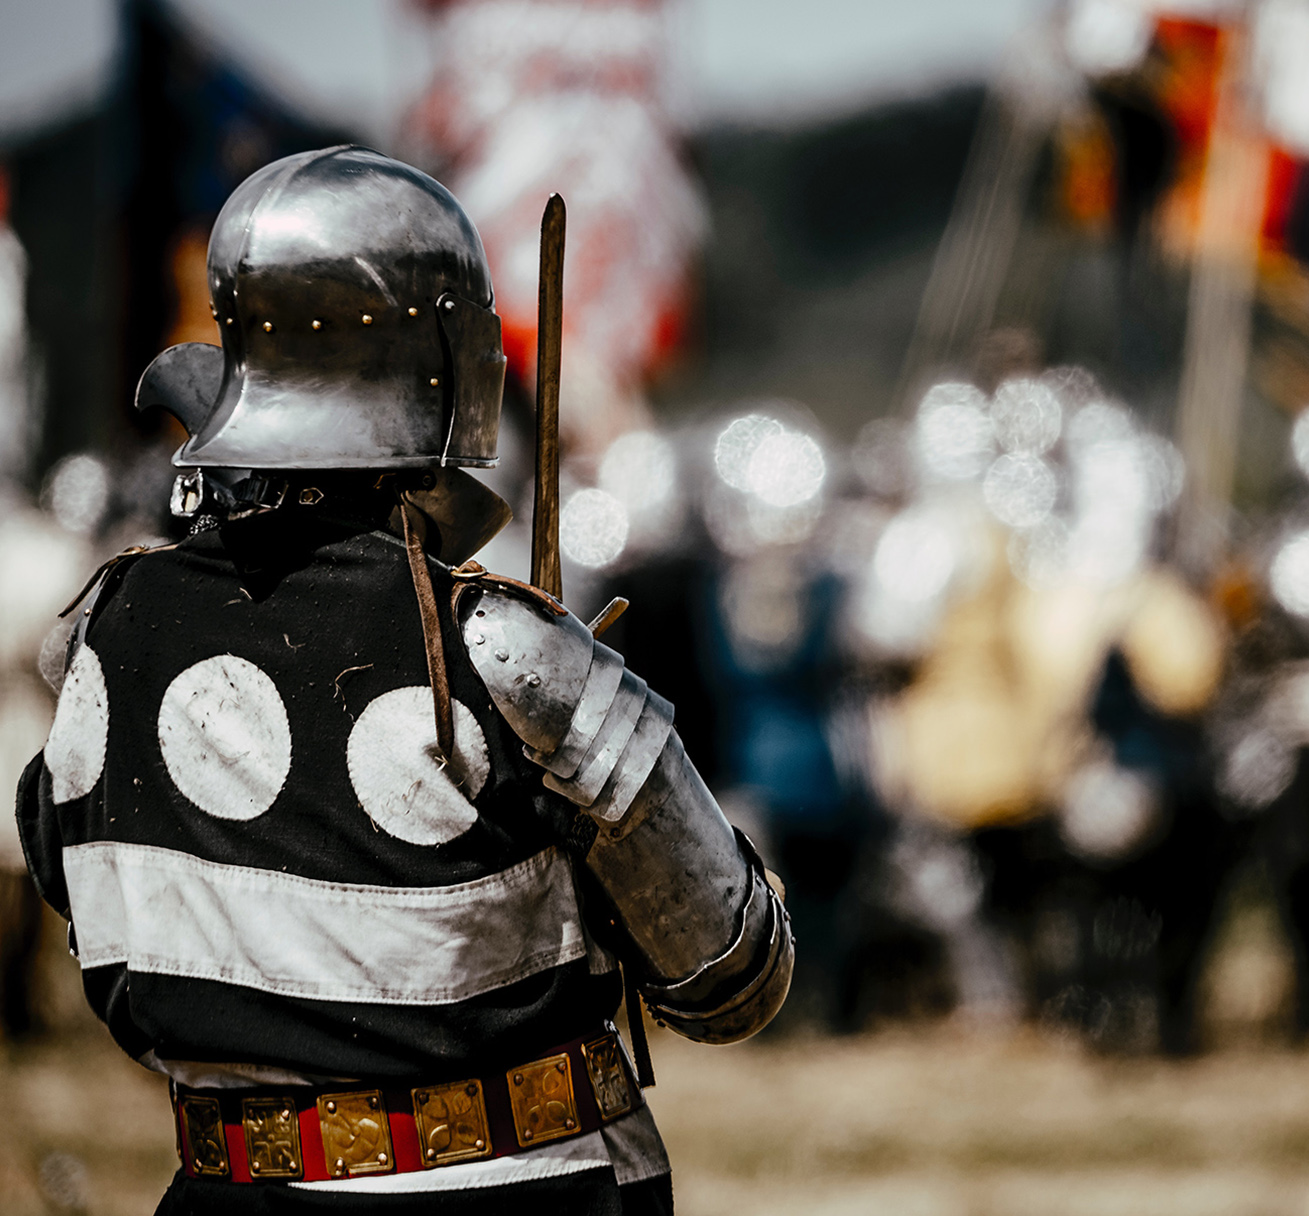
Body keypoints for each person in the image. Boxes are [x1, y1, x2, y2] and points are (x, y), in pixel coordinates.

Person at [14, 146, 792, 1215]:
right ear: (443, 356)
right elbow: (732, 974)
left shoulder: (101, 635)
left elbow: (69, 879)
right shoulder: (510, 651)